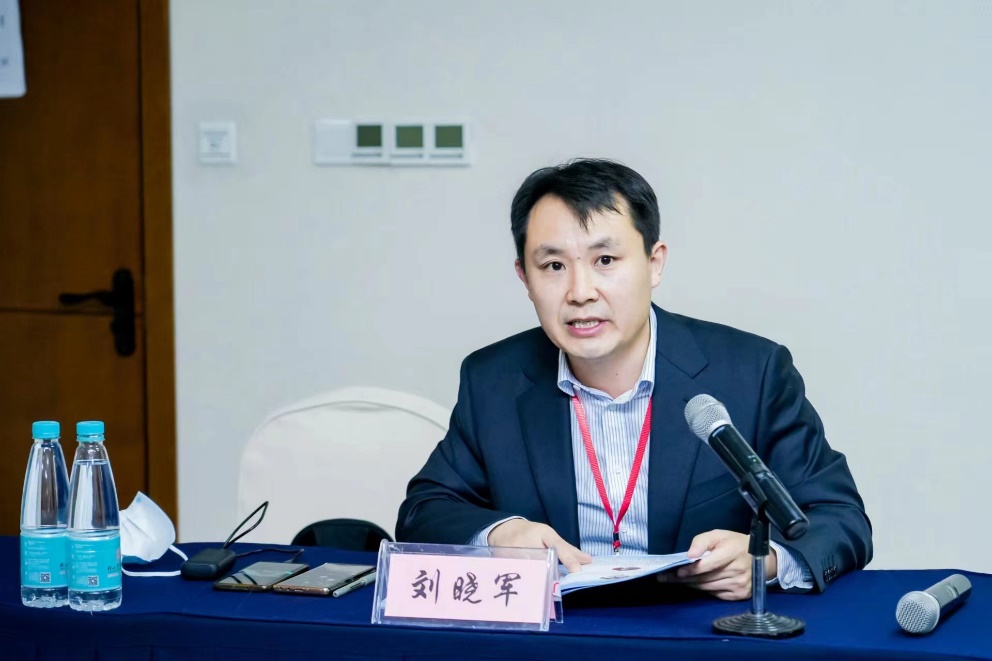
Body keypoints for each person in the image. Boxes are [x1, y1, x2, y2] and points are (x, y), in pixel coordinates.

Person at [396, 159, 872, 600]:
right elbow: (425, 511)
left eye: (605, 260)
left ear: (654, 262)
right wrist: (500, 534)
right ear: (524, 277)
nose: (581, 292)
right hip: (559, 635)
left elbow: (840, 517)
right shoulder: (493, 379)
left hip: (700, 634)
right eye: (554, 266)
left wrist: (766, 562)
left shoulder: (752, 371)